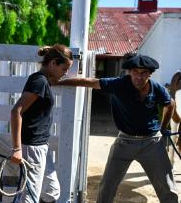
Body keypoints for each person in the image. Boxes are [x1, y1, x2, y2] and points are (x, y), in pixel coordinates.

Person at [55, 54, 179, 203]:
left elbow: (170, 103)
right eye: (135, 72)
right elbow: (89, 82)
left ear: (150, 73)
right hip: (125, 141)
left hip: (152, 142)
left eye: (144, 73)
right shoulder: (118, 84)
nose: (139, 77)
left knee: (168, 188)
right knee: (107, 185)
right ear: (129, 72)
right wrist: (58, 82)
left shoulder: (156, 88)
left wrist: (163, 127)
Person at [10, 44, 73, 203]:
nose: (65, 74)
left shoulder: (43, 80)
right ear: (52, 64)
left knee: (52, 192)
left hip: (41, 146)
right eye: (64, 69)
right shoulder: (39, 82)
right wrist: (17, 149)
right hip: (32, 147)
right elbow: (16, 111)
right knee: (29, 197)